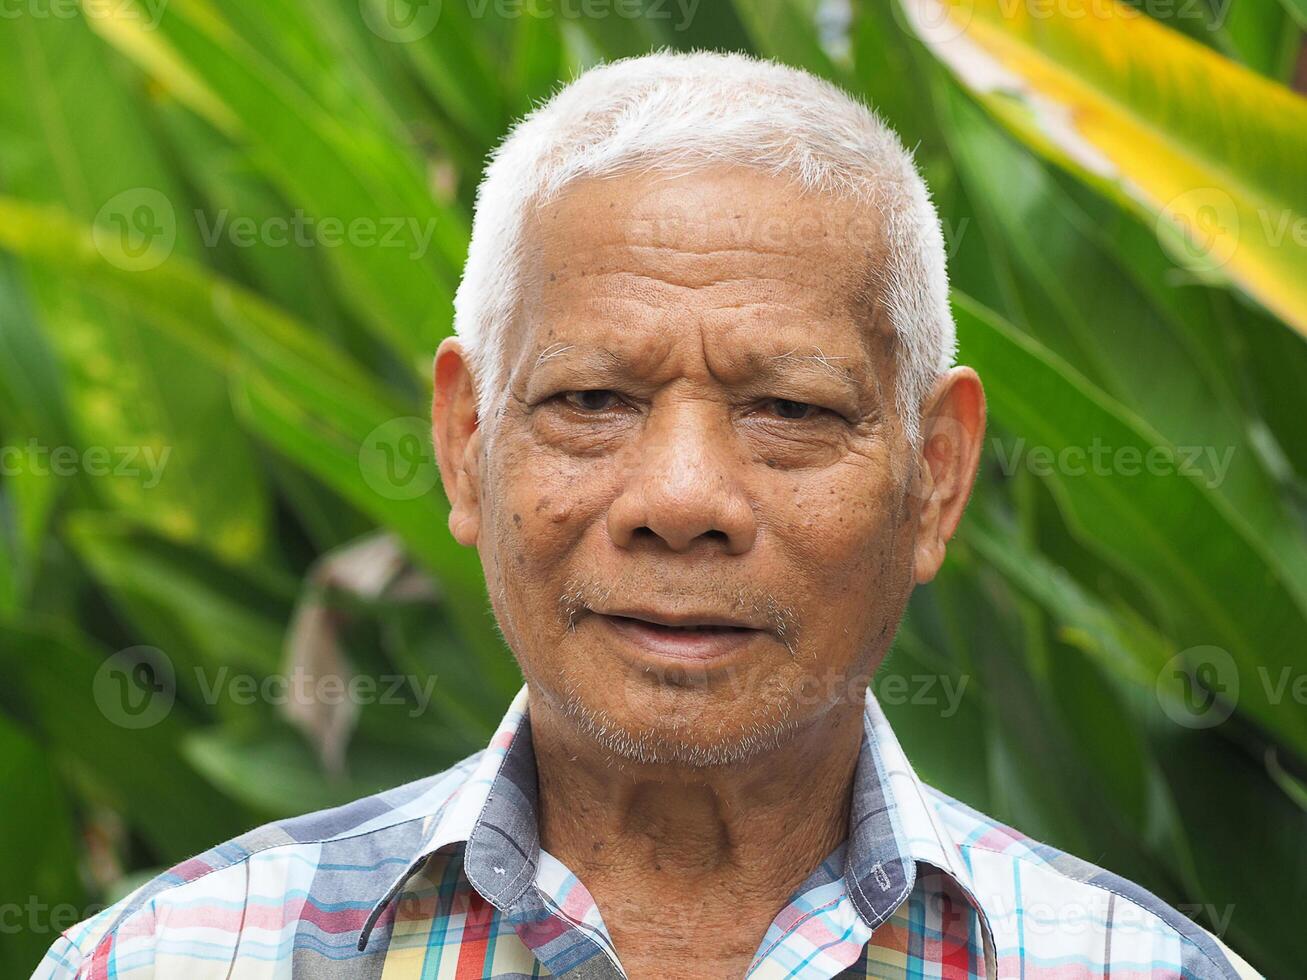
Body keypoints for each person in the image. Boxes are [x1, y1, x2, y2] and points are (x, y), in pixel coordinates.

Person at [35, 50, 1256, 980]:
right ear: (464, 446)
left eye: (785, 406)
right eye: (590, 398)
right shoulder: (176, 955)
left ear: (934, 475)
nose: (681, 500)